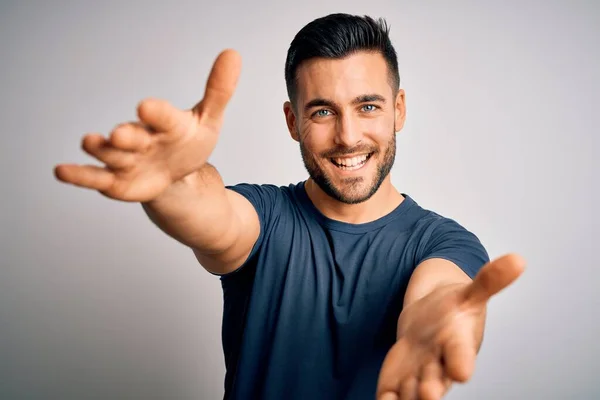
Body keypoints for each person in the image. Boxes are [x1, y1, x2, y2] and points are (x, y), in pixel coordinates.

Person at [54, 13, 525, 400]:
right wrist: (171, 183)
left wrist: (437, 324)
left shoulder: (443, 242)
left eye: (368, 107)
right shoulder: (267, 215)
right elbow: (213, 216)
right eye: (322, 111)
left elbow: (436, 296)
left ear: (398, 109)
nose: (347, 136)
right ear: (292, 121)